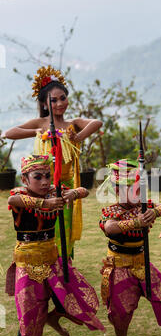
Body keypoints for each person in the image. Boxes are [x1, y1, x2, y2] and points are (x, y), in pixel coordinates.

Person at [7, 154, 105, 336]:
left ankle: (53, 318)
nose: (43, 181)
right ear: (25, 179)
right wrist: (46, 203)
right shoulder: (20, 194)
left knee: (73, 295)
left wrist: (72, 193)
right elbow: (12, 201)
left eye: (47, 176)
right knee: (30, 312)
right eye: (37, 177)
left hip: (53, 258)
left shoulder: (54, 191)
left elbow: (84, 191)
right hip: (28, 261)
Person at [3, 65, 103, 258]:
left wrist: (79, 136)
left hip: (66, 186)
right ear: (45, 105)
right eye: (53, 100)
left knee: (65, 234)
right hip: (42, 186)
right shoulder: (41, 124)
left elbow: (96, 123)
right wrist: (37, 132)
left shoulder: (72, 125)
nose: (59, 103)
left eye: (62, 98)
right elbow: (9, 133)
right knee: (46, 229)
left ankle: (65, 271)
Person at [98, 159, 161, 336]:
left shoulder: (145, 206)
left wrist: (155, 211)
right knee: (121, 312)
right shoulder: (112, 211)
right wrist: (136, 222)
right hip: (120, 267)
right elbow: (110, 228)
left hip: (143, 263)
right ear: (117, 191)